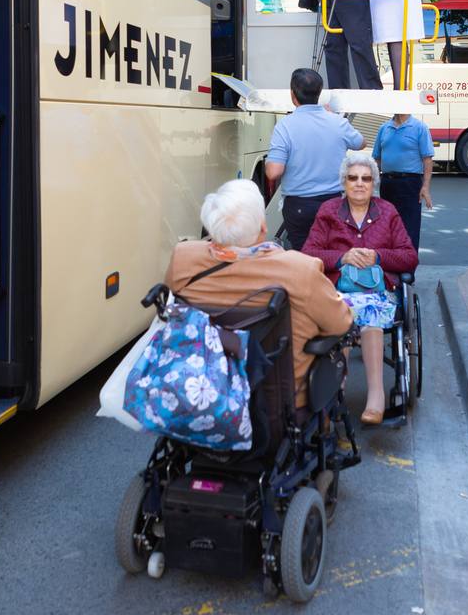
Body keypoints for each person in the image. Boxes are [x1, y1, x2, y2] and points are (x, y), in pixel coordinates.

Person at [163, 180, 353, 413]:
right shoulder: (300, 269)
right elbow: (341, 322)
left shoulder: (183, 258)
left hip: (199, 389)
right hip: (278, 402)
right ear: (263, 227)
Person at [301, 151, 418, 425]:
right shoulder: (329, 211)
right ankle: (336, 393)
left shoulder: (387, 211)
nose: (359, 183)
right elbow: (308, 254)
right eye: (353, 178)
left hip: (378, 292)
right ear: (344, 182)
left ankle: (376, 397)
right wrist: (342, 258)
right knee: (341, 317)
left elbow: (410, 257)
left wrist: (377, 256)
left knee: (372, 320)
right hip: (338, 291)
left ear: (373, 183)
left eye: (366, 178)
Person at [264, 68, 366, 251]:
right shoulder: (337, 122)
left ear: (292, 95)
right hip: (335, 203)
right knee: (334, 257)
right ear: (319, 94)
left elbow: (274, 172)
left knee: (305, 258)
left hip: (299, 206)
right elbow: (361, 143)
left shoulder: (284, 126)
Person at [372, 113, 434, 248]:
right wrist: (371, 182)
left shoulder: (419, 127)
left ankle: (408, 265)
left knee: (409, 227)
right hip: (387, 182)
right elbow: (377, 158)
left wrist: (425, 187)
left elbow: (427, 160)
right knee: (387, 225)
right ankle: (391, 262)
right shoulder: (384, 128)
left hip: (410, 183)